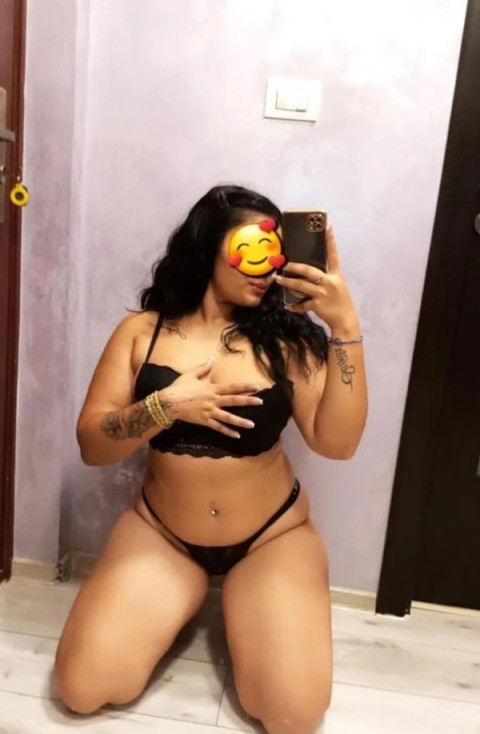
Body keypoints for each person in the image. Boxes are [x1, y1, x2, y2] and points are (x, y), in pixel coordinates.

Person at [54, 185, 367, 734]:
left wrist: (344, 327)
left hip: (271, 538)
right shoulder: (141, 332)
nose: (267, 267)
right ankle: (180, 597)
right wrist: (165, 406)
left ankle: (246, 604)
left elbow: (336, 443)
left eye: (277, 253)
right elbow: (92, 445)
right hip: (162, 533)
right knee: (82, 689)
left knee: (292, 716)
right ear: (207, 244)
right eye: (253, 249)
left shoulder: (287, 341)